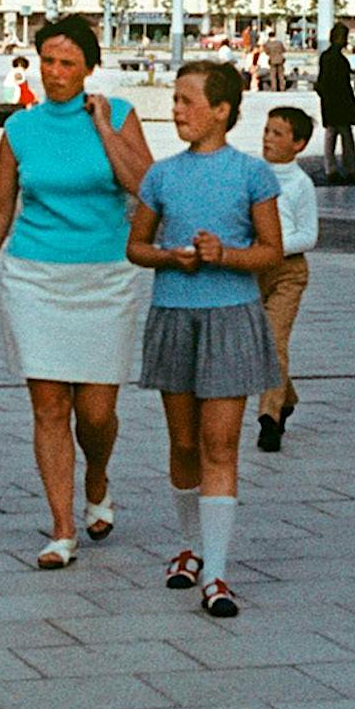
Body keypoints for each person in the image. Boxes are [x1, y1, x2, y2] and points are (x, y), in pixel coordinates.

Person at [0, 14, 152, 568]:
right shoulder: (20, 128)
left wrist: (105, 130)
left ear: (89, 68)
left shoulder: (118, 114)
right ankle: (62, 527)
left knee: (96, 413)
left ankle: (98, 476)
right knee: (49, 408)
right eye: (48, 61)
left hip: (104, 278)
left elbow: (146, 185)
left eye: (68, 63)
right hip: (35, 277)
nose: (56, 72)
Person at [128, 59, 284, 619]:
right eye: (174, 100)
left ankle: (216, 573)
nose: (176, 111)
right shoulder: (161, 176)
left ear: (221, 110)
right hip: (174, 314)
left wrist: (225, 255)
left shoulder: (252, 174)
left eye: (186, 101)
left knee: (221, 446)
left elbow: (271, 251)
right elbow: (135, 247)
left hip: (230, 317)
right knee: (184, 445)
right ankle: (189, 545)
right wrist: (170, 256)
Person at [255, 103, 318, 452]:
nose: (268, 139)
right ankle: (285, 396)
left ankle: (269, 418)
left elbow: (309, 235)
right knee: (258, 343)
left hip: (287, 271)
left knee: (274, 339)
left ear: (298, 144)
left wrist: (273, 247)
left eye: (277, 134)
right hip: (253, 269)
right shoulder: (253, 175)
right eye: (267, 131)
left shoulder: (300, 184)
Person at [315, 22, 355, 184]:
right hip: (340, 102)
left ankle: (331, 169)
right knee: (345, 135)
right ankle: (350, 169)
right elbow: (344, 85)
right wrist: (353, 107)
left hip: (330, 102)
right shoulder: (340, 60)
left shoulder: (326, 57)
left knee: (331, 135)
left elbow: (321, 82)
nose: (346, 41)